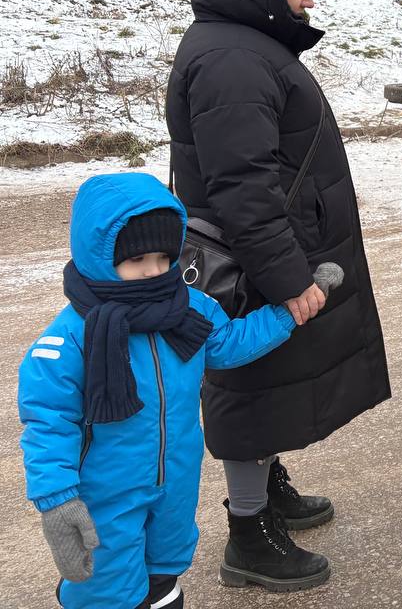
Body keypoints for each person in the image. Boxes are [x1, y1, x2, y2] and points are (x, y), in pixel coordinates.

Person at [166, 0, 391, 591]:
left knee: (271, 387)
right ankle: (248, 536)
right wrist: (291, 277)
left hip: (268, 254)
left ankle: (269, 489)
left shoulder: (238, 44)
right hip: (252, 267)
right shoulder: (233, 59)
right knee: (252, 390)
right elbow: (242, 189)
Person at [17, 173, 326, 609]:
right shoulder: (71, 339)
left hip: (175, 483)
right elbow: (48, 423)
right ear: (100, 256)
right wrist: (57, 499)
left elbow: (227, 343)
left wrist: (288, 314)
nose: (154, 272)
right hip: (106, 495)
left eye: (165, 256)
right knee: (106, 592)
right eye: (138, 258)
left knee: (164, 574)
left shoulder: (186, 307)